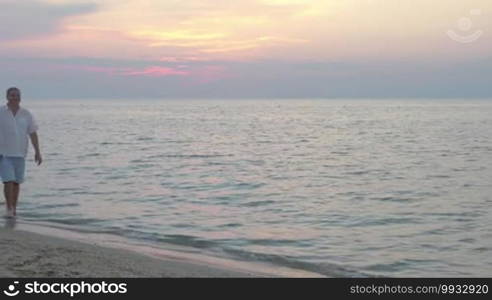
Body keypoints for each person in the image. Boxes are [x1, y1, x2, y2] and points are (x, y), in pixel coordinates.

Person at [0, 87, 42, 218]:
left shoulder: (26, 113)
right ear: (7, 97)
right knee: (8, 181)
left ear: (20, 97)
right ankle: (8, 208)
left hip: (20, 153)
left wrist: (37, 152)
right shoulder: (1, 112)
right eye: (12, 95)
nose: (15, 97)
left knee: (17, 183)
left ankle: (14, 208)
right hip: (4, 153)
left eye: (17, 95)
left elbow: (33, 133)